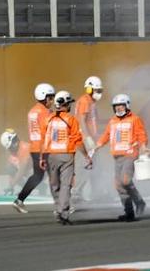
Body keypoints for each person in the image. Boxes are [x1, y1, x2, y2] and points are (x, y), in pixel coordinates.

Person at [94, 94, 148, 221]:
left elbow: (141, 134)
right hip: (117, 156)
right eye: (116, 106)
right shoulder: (112, 121)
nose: (118, 108)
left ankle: (139, 202)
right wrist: (97, 145)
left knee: (125, 181)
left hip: (130, 154)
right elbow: (106, 135)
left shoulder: (135, 119)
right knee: (118, 185)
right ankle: (129, 212)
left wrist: (144, 146)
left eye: (121, 105)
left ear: (127, 105)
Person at [43, 91, 93, 225]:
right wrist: (86, 156)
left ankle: (59, 208)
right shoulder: (71, 120)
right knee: (66, 185)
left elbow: (45, 139)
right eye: (69, 103)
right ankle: (62, 212)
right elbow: (78, 140)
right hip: (66, 156)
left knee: (55, 185)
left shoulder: (48, 119)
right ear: (65, 103)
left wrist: (43, 156)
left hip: (51, 155)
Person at [13, 83, 55, 214]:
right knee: (54, 177)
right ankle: (62, 204)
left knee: (38, 176)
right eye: (50, 97)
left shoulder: (32, 111)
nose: (52, 101)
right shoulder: (45, 112)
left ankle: (19, 200)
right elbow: (46, 131)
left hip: (34, 148)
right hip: (44, 148)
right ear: (44, 97)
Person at [0, 129, 31, 197]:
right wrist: (10, 187)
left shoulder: (25, 148)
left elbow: (21, 171)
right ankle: (38, 187)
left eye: (10, 147)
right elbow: (11, 171)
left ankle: (29, 189)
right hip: (29, 171)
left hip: (40, 172)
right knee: (10, 169)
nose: (10, 150)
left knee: (30, 174)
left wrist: (11, 186)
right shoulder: (13, 152)